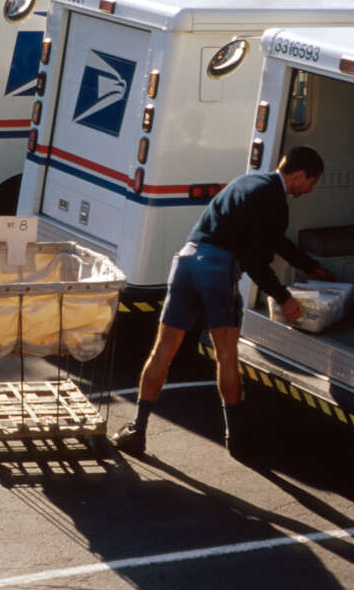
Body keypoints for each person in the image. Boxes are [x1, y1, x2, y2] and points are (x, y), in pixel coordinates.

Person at [111, 145, 334, 458]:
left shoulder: (247, 182)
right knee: (226, 355)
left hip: (187, 261)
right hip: (217, 269)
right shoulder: (274, 201)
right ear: (299, 175)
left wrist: (310, 266)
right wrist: (283, 298)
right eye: (311, 182)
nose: (310, 190)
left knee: (163, 349)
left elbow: (274, 240)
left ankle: (138, 428)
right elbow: (254, 259)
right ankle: (237, 439)